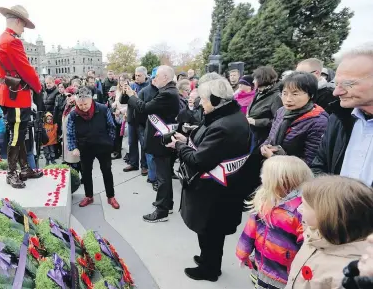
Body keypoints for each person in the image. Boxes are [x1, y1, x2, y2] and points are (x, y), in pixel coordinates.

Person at [167, 76, 253, 281]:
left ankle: (210, 269)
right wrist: (187, 140)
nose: (200, 104)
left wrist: (179, 146)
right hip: (221, 188)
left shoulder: (224, 126)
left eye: (203, 100)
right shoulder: (231, 116)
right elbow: (208, 147)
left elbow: (198, 160)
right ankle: (208, 259)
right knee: (210, 231)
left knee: (211, 231)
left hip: (215, 191)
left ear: (215, 100)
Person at [236, 156, 313, 289]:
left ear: (283, 181)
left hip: (284, 274)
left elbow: (306, 247)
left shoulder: (301, 211)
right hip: (262, 264)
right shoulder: (264, 200)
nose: (261, 177)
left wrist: (301, 275)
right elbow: (250, 230)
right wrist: (243, 253)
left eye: (265, 175)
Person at [286, 176, 373, 288]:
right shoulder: (314, 236)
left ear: (325, 216)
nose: (299, 208)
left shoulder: (347, 274)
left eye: (305, 205)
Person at [0, 5, 44, 188]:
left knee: (20, 133)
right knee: (16, 135)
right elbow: (26, 69)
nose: (23, 29)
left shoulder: (2, 38)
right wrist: (38, 87)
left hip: (11, 93)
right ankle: (12, 172)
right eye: (23, 24)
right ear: (17, 21)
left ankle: (24, 168)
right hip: (16, 95)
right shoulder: (12, 41)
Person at [311, 45, 373, 185]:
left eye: (348, 84)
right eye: (337, 84)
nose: (336, 92)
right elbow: (320, 167)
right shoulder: (338, 118)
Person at [125, 65, 180, 221]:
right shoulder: (167, 92)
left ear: (166, 78)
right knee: (165, 174)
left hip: (161, 140)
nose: (153, 79)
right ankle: (166, 204)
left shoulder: (167, 94)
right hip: (164, 138)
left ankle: (161, 210)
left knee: (162, 176)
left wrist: (131, 95)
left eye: (157, 76)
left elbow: (144, 107)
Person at [66, 87, 120, 209]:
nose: (83, 107)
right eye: (80, 104)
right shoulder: (74, 114)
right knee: (86, 173)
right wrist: (73, 147)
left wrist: (110, 142)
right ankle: (89, 196)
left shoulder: (103, 109)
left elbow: (111, 126)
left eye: (85, 104)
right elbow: (70, 132)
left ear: (91, 101)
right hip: (84, 147)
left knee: (107, 171)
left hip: (103, 146)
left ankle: (110, 196)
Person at [260, 72, 329, 165]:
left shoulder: (318, 122)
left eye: (295, 94)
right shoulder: (281, 111)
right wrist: (264, 146)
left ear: (311, 95)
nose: (288, 99)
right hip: (273, 169)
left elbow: (311, 161)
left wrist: (274, 157)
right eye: (284, 93)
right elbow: (271, 136)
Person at [247, 66, 283, 147]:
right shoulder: (259, 92)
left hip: (265, 138)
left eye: (255, 79)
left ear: (262, 79)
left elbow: (278, 121)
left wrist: (256, 122)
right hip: (254, 134)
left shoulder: (276, 97)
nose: (253, 81)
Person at [124, 66, 150, 174]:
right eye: (136, 75)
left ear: (145, 75)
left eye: (139, 75)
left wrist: (134, 97)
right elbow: (123, 100)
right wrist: (124, 92)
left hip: (142, 120)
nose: (137, 77)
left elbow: (145, 104)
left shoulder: (149, 87)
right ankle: (133, 163)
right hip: (131, 118)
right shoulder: (131, 85)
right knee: (132, 142)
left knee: (144, 144)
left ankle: (144, 165)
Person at [61, 86, 80, 170]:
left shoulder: (77, 107)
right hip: (67, 137)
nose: (67, 98)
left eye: (69, 95)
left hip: (74, 138)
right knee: (70, 161)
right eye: (66, 96)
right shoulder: (67, 107)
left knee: (76, 160)